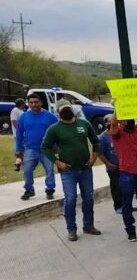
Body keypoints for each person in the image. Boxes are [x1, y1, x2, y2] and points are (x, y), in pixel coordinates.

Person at [40, 100, 101, 241]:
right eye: (62, 109)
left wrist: (93, 158)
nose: (66, 110)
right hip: (68, 171)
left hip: (85, 169)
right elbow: (45, 147)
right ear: (58, 112)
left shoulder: (84, 124)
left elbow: (95, 141)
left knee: (88, 198)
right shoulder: (54, 129)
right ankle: (71, 230)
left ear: (72, 109)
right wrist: (57, 162)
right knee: (70, 200)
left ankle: (88, 225)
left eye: (67, 107)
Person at [15, 94, 58, 200]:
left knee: (49, 170)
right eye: (31, 102)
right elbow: (19, 133)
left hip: (46, 149)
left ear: (40, 102)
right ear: (28, 104)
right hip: (30, 148)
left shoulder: (50, 116)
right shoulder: (24, 117)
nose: (34, 104)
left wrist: (57, 146)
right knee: (27, 170)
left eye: (36, 102)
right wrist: (18, 149)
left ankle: (50, 190)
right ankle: (29, 190)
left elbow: (58, 131)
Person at [98, 114, 123, 213]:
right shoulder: (102, 137)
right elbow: (100, 153)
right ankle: (118, 206)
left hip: (123, 165)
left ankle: (126, 205)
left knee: (125, 186)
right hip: (113, 167)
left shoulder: (119, 133)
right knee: (116, 186)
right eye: (110, 121)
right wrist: (108, 164)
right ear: (106, 124)